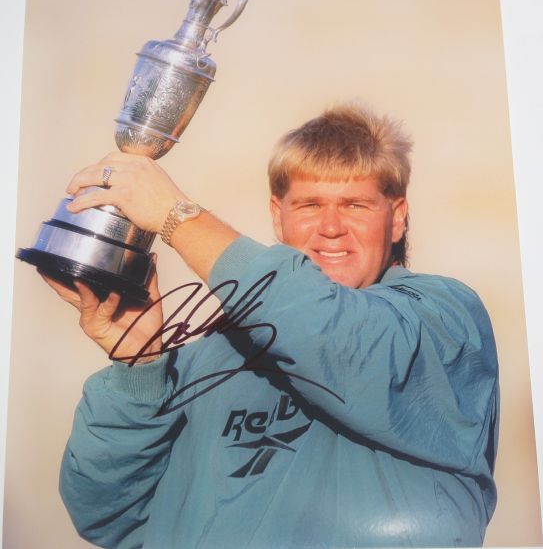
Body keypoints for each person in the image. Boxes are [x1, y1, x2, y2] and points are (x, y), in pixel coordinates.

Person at [44, 102, 499, 549]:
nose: (331, 226)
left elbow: (334, 335)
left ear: (396, 217)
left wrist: (175, 215)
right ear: (277, 216)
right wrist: (139, 367)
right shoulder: (209, 356)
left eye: (356, 204)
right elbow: (106, 514)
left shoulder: (441, 319)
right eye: (309, 205)